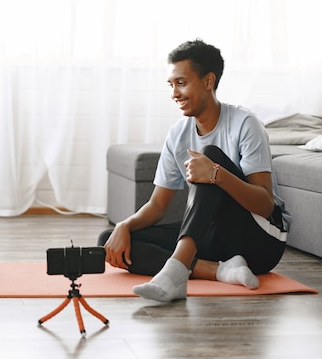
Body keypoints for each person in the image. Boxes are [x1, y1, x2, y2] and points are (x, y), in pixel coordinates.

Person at [98, 39, 288, 302]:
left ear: (208, 81)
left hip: (260, 242)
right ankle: (220, 271)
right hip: (214, 240)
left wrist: (215, 174)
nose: (174, 93)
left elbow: (265, 205)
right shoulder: (178, 134)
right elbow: (157, 206)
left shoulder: (245, 124)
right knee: (111, 240)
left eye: (182, 83)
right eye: (171, 84)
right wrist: (125, 225)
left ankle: (176, 270)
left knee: (209, 156)